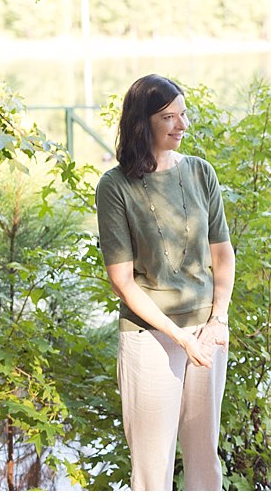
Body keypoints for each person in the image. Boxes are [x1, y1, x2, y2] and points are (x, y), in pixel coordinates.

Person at [95, 74, 234, 491]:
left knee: (204, 459)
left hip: (208, 331)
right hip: (151, 338)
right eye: (169, 117)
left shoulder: (200, 172)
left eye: (184, 114)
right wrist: (179, 337)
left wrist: (218, 321)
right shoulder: (115, 186)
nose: (182, 125)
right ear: (142, 123)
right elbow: (123, 282)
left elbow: (222, 254)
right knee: (152, 470)